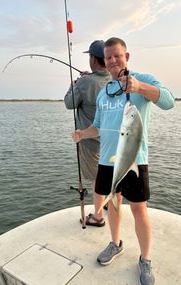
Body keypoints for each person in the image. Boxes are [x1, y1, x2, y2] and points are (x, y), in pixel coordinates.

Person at [71, 37, 175, 285]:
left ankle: (145, 259)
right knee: (113, 204)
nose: (113, 60)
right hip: (107, 162)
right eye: (108, 57)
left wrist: (139, 88)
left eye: (117, 55)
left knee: (139, 209)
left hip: (135, 160)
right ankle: (115, 243)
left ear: (126, 57)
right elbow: (98, 127)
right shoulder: (104, 92)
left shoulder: (143, 80)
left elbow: (169, 101)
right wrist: (82, 134)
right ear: (104, 62)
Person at [64, 40, 111, 227]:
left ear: (93, 59)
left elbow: (69, 103)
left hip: (90, 140)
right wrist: (88, 77)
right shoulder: (113, 80)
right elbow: (98, 81)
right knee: (108, 173)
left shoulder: (84, 82)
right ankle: (108, 204)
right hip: (111, 140)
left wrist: (74, 84)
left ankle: (98, 217)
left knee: (96, 178)